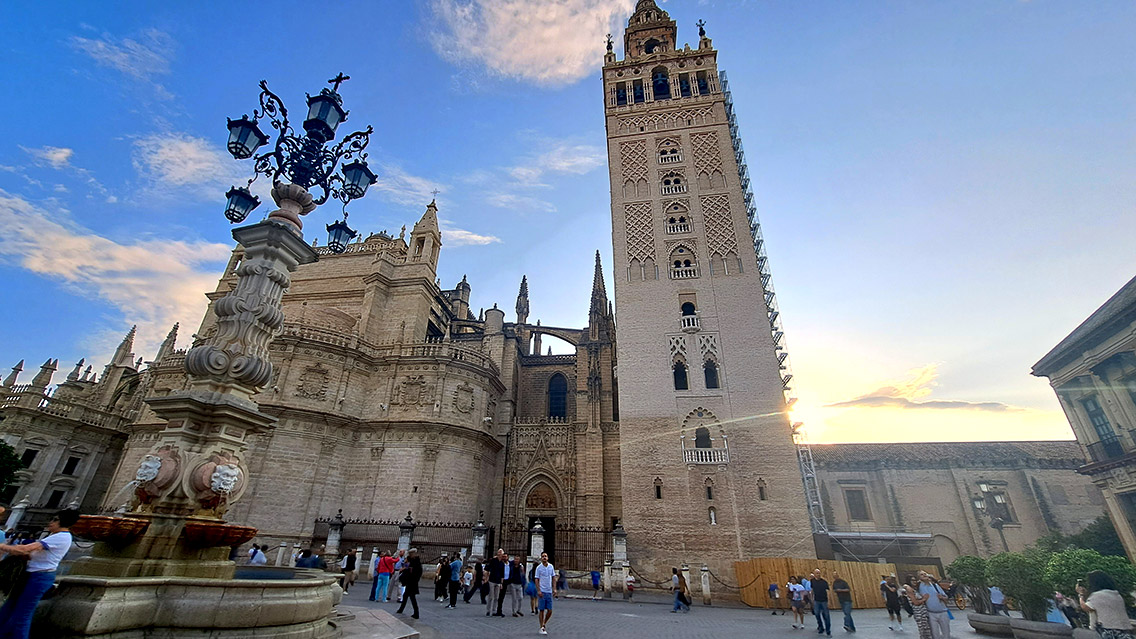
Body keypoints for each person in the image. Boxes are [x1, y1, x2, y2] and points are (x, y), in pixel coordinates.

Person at [0, 508, 78, 639]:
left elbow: (25, 549)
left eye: (55, 520)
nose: (51, 522)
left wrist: (2, 547)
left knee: (23, 614)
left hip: (39, 577)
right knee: (8, 608)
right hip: (30, 574)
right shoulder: (55, 536)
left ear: (64, 522)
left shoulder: (61, 537)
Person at [1078, 570, 1132, 639]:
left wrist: (1081, 595)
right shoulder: (1116, 594)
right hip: (1124, 628)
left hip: (1109, 629)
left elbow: (1085, 607)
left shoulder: (1097, 595)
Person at [917, 572, 950, 639]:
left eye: (925, 573)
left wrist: (942, 597)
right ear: (919, 578)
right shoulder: (919, 587)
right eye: (921, 574)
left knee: (946, 632)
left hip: (942, 612)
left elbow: (946, 597)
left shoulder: (935, 586)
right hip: (930, 613)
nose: (924, 575)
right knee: (935, 634)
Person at [395, 548, 422, 619]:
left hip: (413, 582)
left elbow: (417, 572)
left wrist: (413, 577)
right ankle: (401, 609)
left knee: (412, 598)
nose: (410, 555)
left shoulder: (416, 562)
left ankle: (416, 613)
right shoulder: (412, 561)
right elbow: (407, 567)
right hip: (410, 582)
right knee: (406, 596)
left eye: (411, 554)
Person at [534, 551, 557, 635]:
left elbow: (553, 577)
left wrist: (554, 589)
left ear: (547, 558)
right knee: (542, 610)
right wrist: (538, 590)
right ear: (541, 558)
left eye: (545, 556)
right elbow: (536, 579)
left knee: (550, 610)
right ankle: (541, 627)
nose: (544, 557)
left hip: (549, 591)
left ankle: (544, 623)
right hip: (542, 591)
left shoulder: (551, 566)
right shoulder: (539, 568)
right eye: (543, 556)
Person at [811, 568, 832, 636]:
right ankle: (821, 627)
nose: (818, 574)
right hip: (816, 600)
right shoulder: (812, 581)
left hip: (824, 601)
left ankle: (828, 630)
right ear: (814, 574)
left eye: (819, 573)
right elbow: (812, 590)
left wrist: (829, 601)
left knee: (826, 616)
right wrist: (812, 599)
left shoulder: (824, 582)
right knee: (817, 614)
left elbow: (828, 591)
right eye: (817, 573)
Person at [485, 548, 506, 617]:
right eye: (498, 552)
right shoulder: (493, 560)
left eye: (500, 552)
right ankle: (488, 610)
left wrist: (502, 583)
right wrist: (486, 577)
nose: (499, 553)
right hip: (492, 580)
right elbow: (487, 569)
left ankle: (494, 610)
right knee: (491, 596)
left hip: (498, 582)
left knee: (496, 597)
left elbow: (502, 574)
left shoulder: (502, 563)